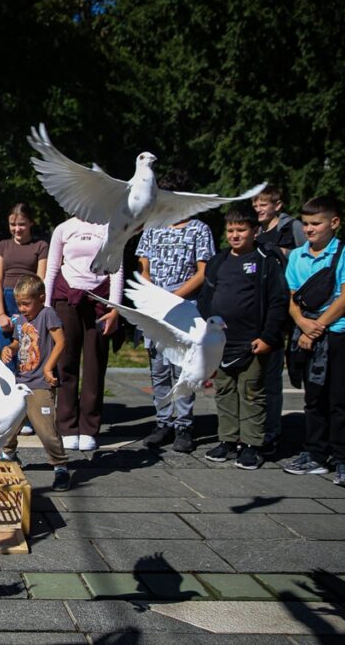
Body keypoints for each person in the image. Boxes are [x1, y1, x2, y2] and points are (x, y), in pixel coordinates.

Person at [197, 205, 288, 470]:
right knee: (224, 392)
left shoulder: (265, 260)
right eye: (230, 230)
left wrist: (268, 337)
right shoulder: (219, 260)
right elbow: (205, 298)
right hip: (222, 343)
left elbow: (278, 301)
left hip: (253, 343)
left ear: (255, 231)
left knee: (251, 394)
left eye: (241, 230)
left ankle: (252, 445)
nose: (235, 235)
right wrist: (209, 328)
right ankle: (227, 440)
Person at [282, 196, 345, 487]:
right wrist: (302, 324)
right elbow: (291, 297)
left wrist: (314, 327)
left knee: (340, 400)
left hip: (340, 334)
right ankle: (316, 453)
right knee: (313, 399)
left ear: (334, 223)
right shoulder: (296, 256)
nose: (309, 229)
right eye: (305, 223)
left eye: (315, 223)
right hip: (307, 334)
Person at [136, 170, 215, 453]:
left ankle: (184, 426)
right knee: (158, 369)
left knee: (182, 369)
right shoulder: (153, 225)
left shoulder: (199, 229)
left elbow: (202, 272)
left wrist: (172, 297)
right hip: (155, 308)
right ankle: (163, 422)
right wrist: (152, 293)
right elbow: (143, 266)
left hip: (184, 308)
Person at [44, 216, 123, 452]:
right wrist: (47, 307)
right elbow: (52, 267)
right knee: (65, 363)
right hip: (65, 300)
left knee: (95, 365)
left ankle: (89, 428)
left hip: (99, 301)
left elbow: (117, 269)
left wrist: (115, 308)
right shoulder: (63, 228)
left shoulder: (110, 227)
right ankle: (67, 426)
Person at [0, 276, 69, 489]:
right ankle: (8, 455)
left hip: (40, 384)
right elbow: (17, 342)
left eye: (26, 304)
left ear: (41, 298)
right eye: (19, 304)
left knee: (46, 430)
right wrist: (9, 349)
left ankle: (60, 466)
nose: (22, 308)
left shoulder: (48, 314)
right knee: (9, 424)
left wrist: (48, 367)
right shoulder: (20, 320)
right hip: (21, 383)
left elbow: (61, 342)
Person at [251, 184, 305, 454]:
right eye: (255, 204)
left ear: (278, 205)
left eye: (263, 204)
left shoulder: (291, 227)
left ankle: (272, 431)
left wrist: (282, 254)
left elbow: (308, 257)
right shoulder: (256, 231)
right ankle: (253, 429)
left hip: (282, 307)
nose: (258, 208)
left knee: (271, 374)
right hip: (256, 308)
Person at [0, 203, 48, 435]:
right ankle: (9, 415)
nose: (17, 228)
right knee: (8, 362)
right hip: (6, 302)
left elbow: (41, 281)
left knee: (29, 361)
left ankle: (29, 415)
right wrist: (1, 314)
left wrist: (30, 314)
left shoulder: (41, 246)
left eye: (22, 224)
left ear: (31, 223)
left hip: (29, 303)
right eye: (13, 224)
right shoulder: (3, 246)